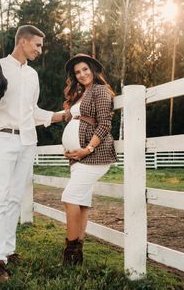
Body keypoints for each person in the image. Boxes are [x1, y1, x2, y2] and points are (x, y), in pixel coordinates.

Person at [0, 25, 65, 282]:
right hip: (2, 138)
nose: (39, 50)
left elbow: (33, 111)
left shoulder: (33, 75)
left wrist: (63, 115)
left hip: (27, 141)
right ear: (23, 42)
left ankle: (9, 251)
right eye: (37, 45)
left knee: (14, 199)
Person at [60, 53, 117, 265]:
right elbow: (74, 120)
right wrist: (71, 149)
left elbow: (104, 124)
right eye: (77, 72)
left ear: (93, 69)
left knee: (70, 197)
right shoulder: (81, 94)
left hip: (95, 155)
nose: (82, 74)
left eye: (85, 69)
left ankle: (70, 250)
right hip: (78, 157)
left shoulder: (100, 91)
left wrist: (87, 148)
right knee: (81, 201)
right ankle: (77, 255)